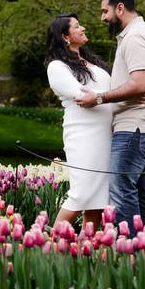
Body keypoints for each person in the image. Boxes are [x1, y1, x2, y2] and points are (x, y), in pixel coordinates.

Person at [77, 0, 145, 237]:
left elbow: (139, 84)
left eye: (105, 11)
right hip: (144, 125)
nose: (102, 18)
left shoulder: (136, 37)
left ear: (120, 7)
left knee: (120, 189)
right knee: (141, 189)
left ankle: (131, 249)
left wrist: (99, 98)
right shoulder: (136, 34)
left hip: (135, 127)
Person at [46, 13, 113, 230]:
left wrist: (111, 94)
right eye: (77, 26)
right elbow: (82, 96)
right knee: (82, 192)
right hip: (84, 136)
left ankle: (86, 249)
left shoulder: (92, 62)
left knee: (98, 199)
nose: (83, 28)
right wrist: (117, 94)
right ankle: (51, 244)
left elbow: (100, 94)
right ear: (65, 36)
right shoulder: (57, 66)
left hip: (106, 135)